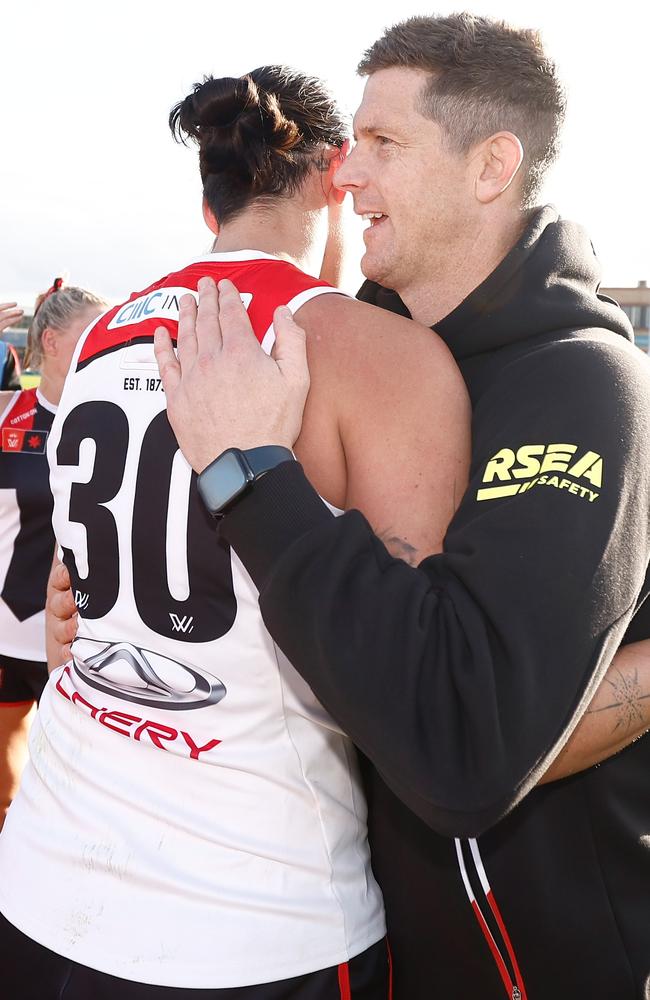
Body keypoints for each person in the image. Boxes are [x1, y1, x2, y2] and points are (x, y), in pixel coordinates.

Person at [146, 15, 650, 1000]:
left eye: (381, 143)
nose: (343, 174)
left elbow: (462, 739)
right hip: (365, 938)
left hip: (533, 964)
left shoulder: (584, 387)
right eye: (345, 148)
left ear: (488, 166)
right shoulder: (349, 358)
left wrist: (247, 474)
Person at [0, 67, 471, 998]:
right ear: (337, 177)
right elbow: (420, 686)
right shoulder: (377, 354)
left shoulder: (100, 340)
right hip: (253, 912)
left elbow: (80, 592)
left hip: (44, 873)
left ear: (207, 200)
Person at [0, 281, 105, 829]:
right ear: (52, 341)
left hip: (73, 644)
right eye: (92, 327)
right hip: (3, 635)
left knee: (75, 797)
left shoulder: (111, 417)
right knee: (4, 793)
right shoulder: (8, 411)